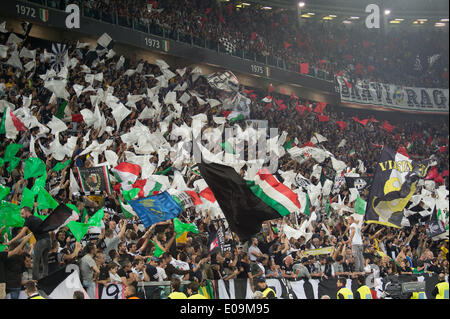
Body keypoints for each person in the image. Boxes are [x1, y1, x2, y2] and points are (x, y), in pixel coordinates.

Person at [8, 207, 51, 280]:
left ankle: (35, 281)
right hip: (48, 240)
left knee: (35, 261)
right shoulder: (37, 218)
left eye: (22, 213)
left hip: (41, 241)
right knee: (45, 261)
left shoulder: (28, 220)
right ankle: (46, 278)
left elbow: (22, 233)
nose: (21, 216)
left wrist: (11, 241)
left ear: (27, 212)